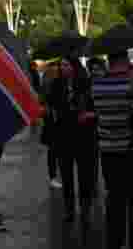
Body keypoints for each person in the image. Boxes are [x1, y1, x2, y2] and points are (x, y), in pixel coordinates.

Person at [92, 49, 133, 249]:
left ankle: (115, 242)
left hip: (109, 151)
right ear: (124, 60)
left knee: (114, 199)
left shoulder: (97, 85)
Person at [48, 56, 98, 223]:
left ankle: (85, 209)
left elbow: (95, 108)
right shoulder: (56, 84)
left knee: (85, 175)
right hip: (64, 135)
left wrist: (88, 114)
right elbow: (50, 104)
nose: (63, 68)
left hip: (84, 136)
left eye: (66, 65)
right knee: (67, 176)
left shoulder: (85, 84)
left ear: (75, 66)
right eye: (61, 65)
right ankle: (69, 209)